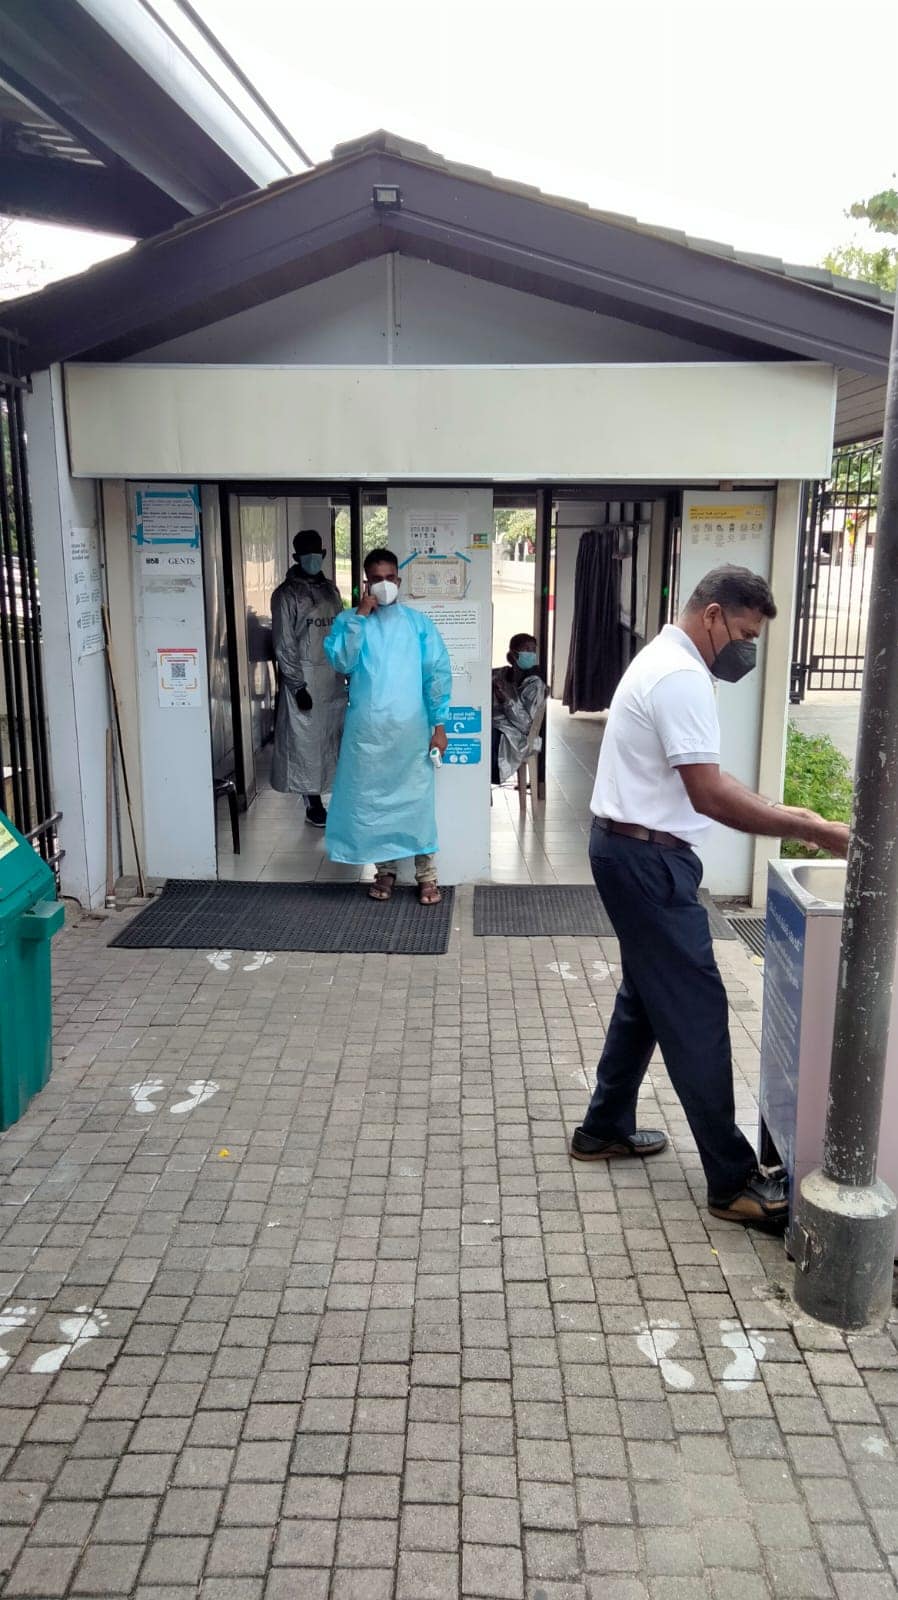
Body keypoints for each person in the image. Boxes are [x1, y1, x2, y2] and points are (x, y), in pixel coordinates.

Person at [570, 566, 850, 1231]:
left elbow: (708, 775)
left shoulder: (667, 660)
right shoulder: (681, 676)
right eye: (746, 634)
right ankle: (733, 1181)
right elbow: (709, 794)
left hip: (632, 851)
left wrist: (782, 807)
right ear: (715, 614)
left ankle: (603, 1126)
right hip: (647, 861)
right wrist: (810, 829)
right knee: (695, 1009)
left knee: (647, 994)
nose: (746, 650)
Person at [324, 548, 452, 904]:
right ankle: (386, 872)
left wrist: (439, 726)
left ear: (399, 579)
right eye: (376, 579)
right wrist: (361, 617)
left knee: (416, 803)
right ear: (366, 583)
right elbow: (343, 662)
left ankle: (427, 876)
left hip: (411, 732)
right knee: (374, 803)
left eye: (390, 578)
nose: (384, 584)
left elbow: (436, 676)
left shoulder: (418, 625)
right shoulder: (349, 621)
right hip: (368, 733)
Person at [270, 530, 346, 828]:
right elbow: (284, 642)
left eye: (316, 551)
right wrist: (296, 684)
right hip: (303, 679)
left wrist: (347, 668)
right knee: (305, 743)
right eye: (306, 552)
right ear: (296, 557)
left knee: (332, 740)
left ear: (324, 554)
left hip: (332, 677)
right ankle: (312, 802)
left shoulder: (331, 590)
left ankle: (333, 797)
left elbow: (340, 632)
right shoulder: (286, 595)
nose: (312, 557)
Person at [491, 633, 547, 784]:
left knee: (486, 740)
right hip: (499, 727)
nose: (531, 654)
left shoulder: (535, 684)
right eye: (527, 649)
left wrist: (506, 699)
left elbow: (526, 725)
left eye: (533, 650)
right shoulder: (501, 674)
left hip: (518, 739)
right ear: (513, 654)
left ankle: (486, 782)